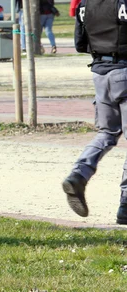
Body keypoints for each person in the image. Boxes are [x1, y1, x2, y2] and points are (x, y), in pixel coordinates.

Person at [63, 0, 127, 225]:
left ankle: (79, 174)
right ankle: (126, 204)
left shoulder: (84, 5)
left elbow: (80, 44)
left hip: (100, 74)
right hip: (125, 70)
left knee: (106, 133)